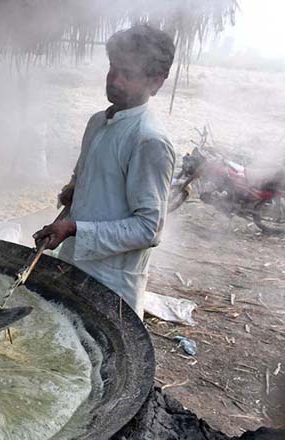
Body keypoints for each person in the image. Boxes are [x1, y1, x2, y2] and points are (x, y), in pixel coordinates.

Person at [32, 25, 177, 317]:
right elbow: (83, 176)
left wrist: (73, 228)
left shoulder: (149, 140)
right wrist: (74, 192)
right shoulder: (97, 122)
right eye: (113, 69)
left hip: (112, 286)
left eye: (129, 74)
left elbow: (149, 229)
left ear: (156, 81)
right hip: (75, 268)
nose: (115, 81)